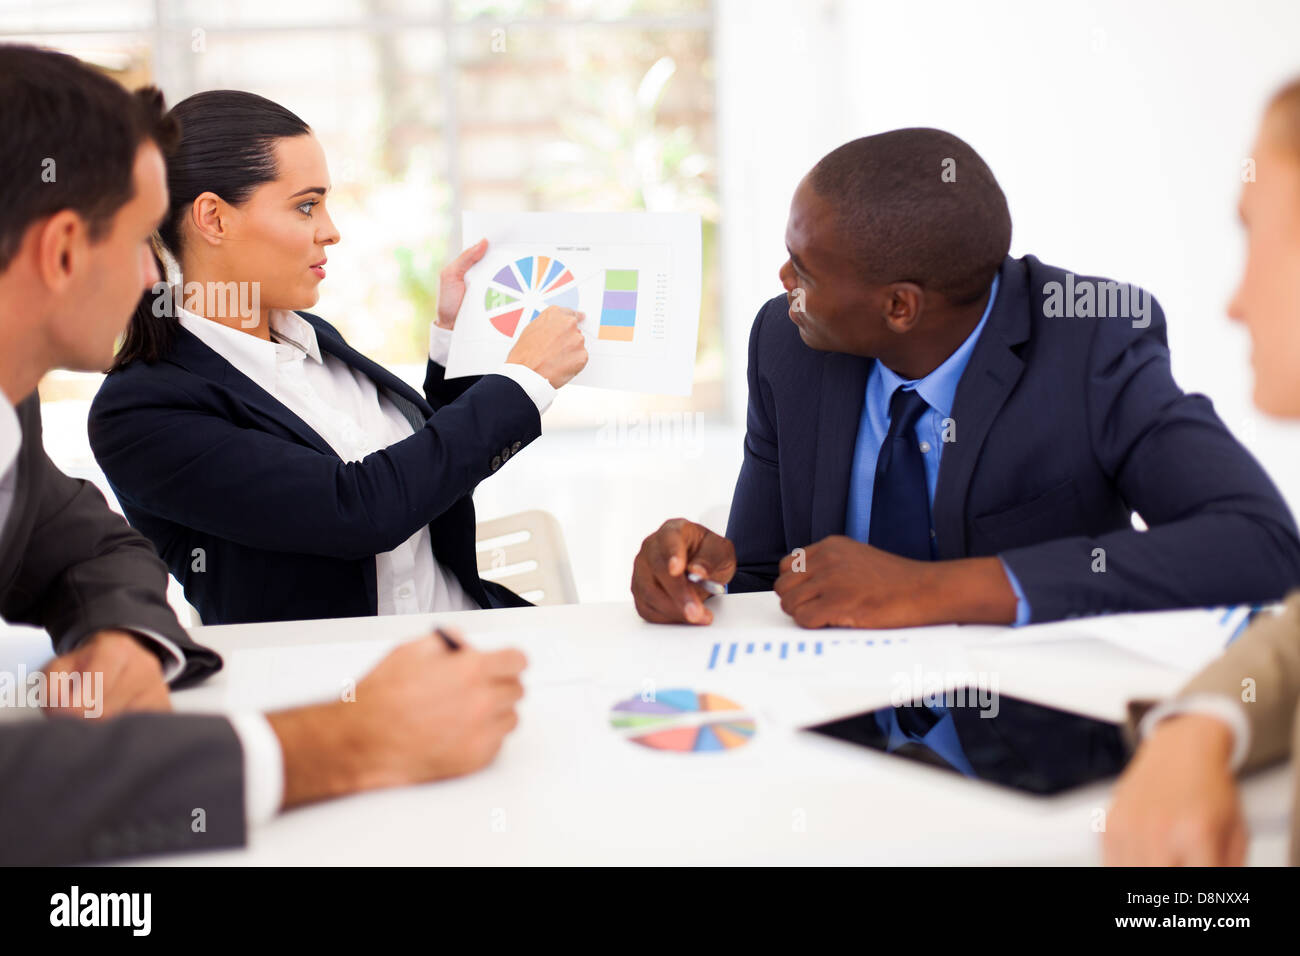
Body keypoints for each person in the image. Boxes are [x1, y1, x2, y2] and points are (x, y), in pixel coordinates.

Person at [0, 43, 524, 866]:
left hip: (458, 655)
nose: (153, 275)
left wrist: (122, 634)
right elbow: (362, 507)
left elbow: (88, 546)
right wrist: (340, 741)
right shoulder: (148, 400)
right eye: (142, 238)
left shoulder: (13, 414)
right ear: (64, 248)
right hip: (323, 696)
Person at [631, 128, 1300, 629]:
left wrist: (933, 589)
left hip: (1031, 750)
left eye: (803, 271)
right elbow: (763, 572)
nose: (784, 286)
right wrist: (697, 578)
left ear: (900, 306)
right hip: (828, 734)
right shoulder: (789, 342)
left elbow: (1259, 544)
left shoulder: (1090, 340)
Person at [88, 90, 588, 626]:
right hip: (336, 691)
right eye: (306, 205)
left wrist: (452, 342)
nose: (331, 230)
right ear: (213, 218)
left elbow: (430, 474)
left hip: (473, 633)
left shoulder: (315, 341)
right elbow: (358, 511)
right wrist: (521, 383)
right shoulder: (140, 412)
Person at [1105, 79, 1300, 867]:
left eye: (1254, 234)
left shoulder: (1108, 356)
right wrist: (1203, 723)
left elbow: (1258, 541)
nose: (1234, 302)